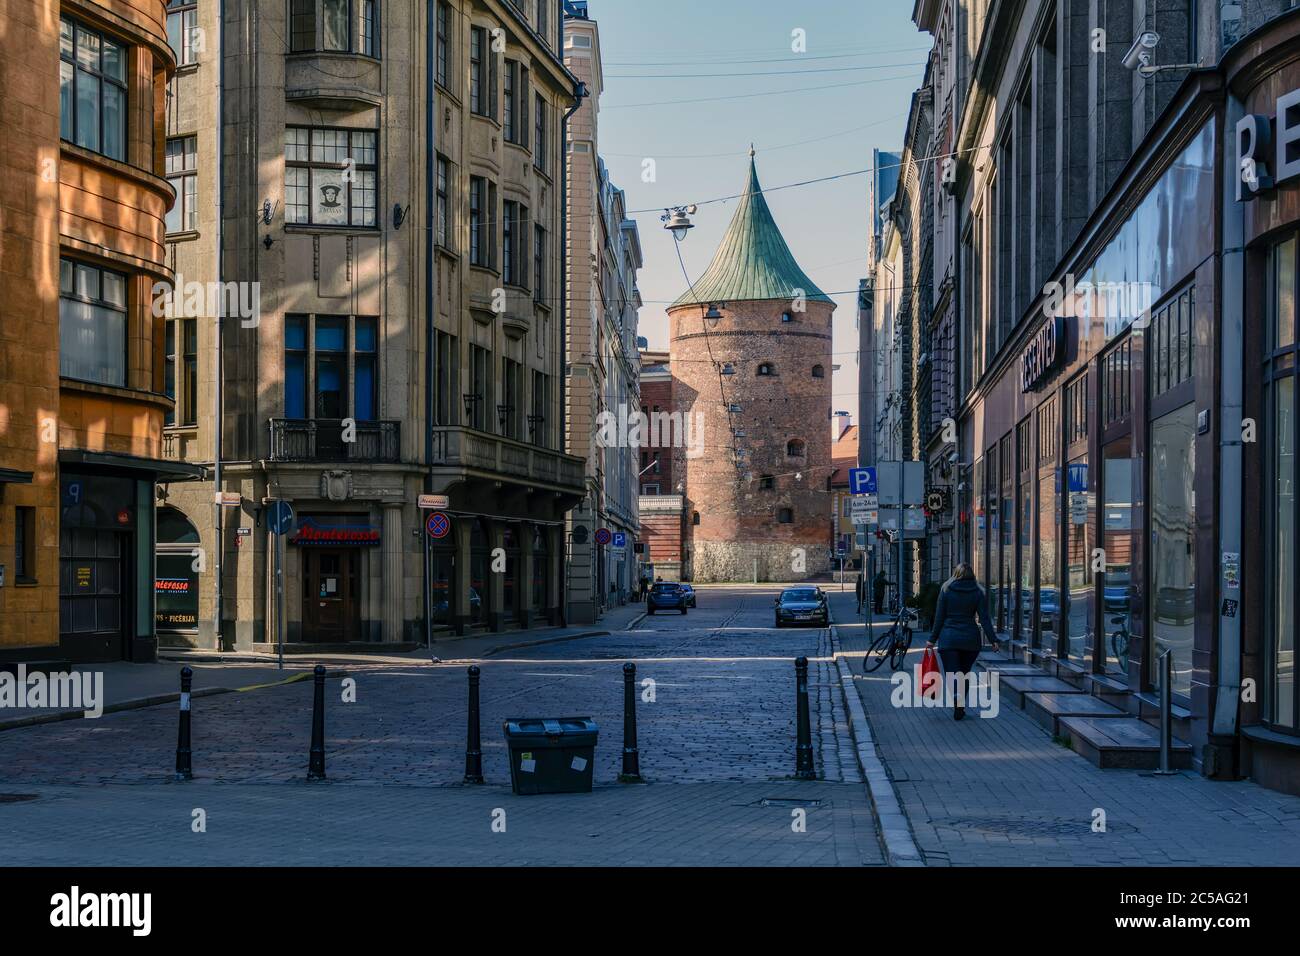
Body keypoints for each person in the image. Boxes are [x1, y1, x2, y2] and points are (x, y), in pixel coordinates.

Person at [925, 563, 1000, 720]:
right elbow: (984, 618)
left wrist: (932, 639)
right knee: (965, 673)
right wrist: (993, 640)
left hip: (949, 639)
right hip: (970, 640)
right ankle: (960, 705)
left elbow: (939, 618)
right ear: (972, 575)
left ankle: (957, 703)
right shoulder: (978, 592)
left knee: (953, 674)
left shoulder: (946, 590)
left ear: (956, 574)